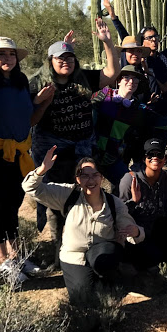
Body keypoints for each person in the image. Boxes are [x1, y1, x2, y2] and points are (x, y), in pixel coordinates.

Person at [28, 19, 120, 264]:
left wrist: (107, 42)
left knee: (83, 194)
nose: (65, 62)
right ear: (50, 62)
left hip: (82, 146)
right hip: (55, 150)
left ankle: (85, 240)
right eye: (59, 59)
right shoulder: (40, 82)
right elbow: (30, 118)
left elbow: (112, 73)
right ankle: (60, 247)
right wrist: (40, 101)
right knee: (58, 199)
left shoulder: (83, 78)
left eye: (69, 58)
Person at [0, 8, 52, 285]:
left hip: (18, 155)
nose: (7, 58)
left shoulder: (21, 85)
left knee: (13, 205)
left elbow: (28, 119)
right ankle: (3, 262)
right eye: (1, 54)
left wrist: (41, 101)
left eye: (11, 54)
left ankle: (17, 257)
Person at [22, 148, 144, 307]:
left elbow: (131, 229)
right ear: (77, 179)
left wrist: (135, 232)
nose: (90, 180)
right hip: (74, 257)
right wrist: (42, 170)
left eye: (94, 175)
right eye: (84, 175)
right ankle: (95, 284)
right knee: (83, 301)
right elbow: (31, 188)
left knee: (109, 257)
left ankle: (108, 279)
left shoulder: (114, 203)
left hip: (102, 253)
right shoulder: (68, 194)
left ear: (101, 177)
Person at [90, 65, 167, 192]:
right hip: (90, 154)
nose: (131, 82)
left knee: (128, 187)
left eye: (135, 79)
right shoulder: (103, 96)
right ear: (118, 80)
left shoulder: (138, 109)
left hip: (112, 158)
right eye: (126, 77)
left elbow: (164, 122)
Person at [117, 138, 167, 268]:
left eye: (159, 154)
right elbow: (120, 215)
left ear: (164, 159)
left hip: (158, 230)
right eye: (150, 154)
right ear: (144, 158)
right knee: (153, 256)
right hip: (137, 234)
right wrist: (133, 202)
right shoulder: (129, 180)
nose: (155, 158)